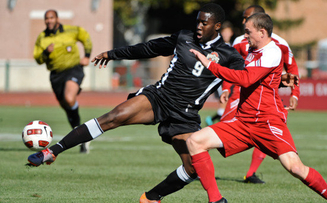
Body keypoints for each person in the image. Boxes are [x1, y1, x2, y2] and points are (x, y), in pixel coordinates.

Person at [28, 4, 245, 203]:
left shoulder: (228, 54)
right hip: (159, 98)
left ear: (216, 26)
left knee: (193, 167)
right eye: (197, 21)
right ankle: (52, 151)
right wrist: (113, 54)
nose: (198, 26)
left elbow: (246, 77)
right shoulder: (184, 37)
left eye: (203, 23)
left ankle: (151, 197)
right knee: (113, 117)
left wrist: (242, 86)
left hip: (186, 115)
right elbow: (149, 48)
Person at [187, 13, 327, 203]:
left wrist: (209, 64)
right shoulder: (253, 49)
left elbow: (246, 78)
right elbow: (253, 77)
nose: (245, 36)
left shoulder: (273, 51)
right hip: (243, 121)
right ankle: (216, 200)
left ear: (261, 32)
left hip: (267, 122)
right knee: (195, 141)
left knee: (295, 168)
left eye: (248, 32)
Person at [224, 5, 301, 184]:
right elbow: (232, 66)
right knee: (225, 128)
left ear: (261, 23)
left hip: (267, 99)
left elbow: (292, 68)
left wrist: (295, 93)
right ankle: (194, 163)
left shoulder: (280, 44)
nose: (244, 23)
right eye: (244, 19)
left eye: (247, 18)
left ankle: (251, 173)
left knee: (266, 132)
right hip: (241, 96)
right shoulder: (239, 41)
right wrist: (226, 88)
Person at [33, 10, 92, 153]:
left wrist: (87, 55)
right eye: (46, 18)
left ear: (57, 18)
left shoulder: (71, 30)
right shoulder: (42, 37)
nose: (49, 21)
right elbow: (37, 59)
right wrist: (46, 52)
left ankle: (81, 133)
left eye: (51, 17)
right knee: (66, 105)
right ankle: (81, 135)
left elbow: (85, 37)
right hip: (56, 76)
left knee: (69, 98)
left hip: (73, 69)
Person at [205, 21, 235, 127]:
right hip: (219, 79)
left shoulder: (233, 45)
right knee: (224, 104)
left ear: (231, 33)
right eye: (224, 32)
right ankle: (218, 125)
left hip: (230, 79)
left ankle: (213, 120)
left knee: (229, 105)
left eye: (228, 32)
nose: (226, 34)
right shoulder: (218, 46)